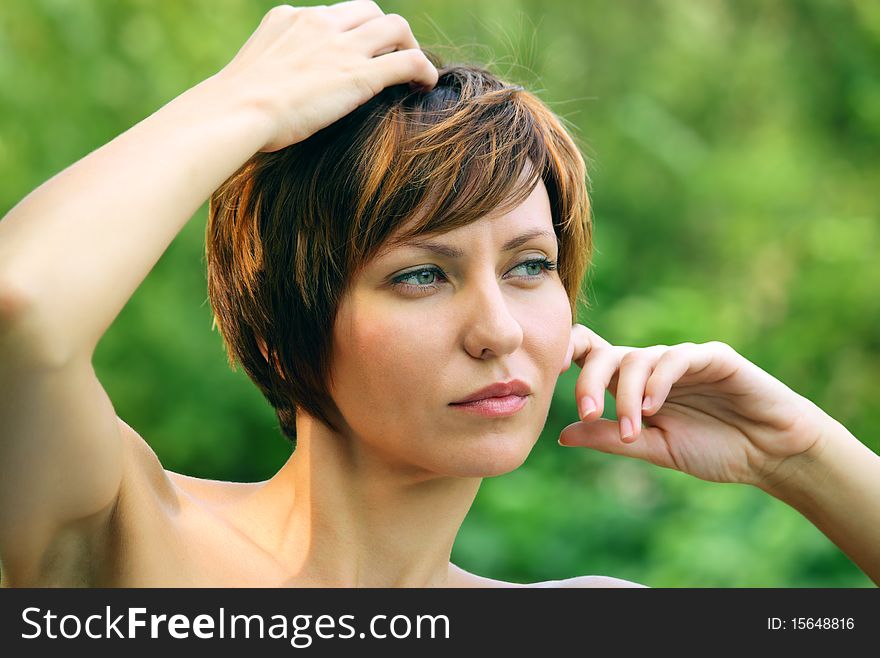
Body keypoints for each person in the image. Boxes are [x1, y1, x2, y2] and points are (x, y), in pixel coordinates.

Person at [0, 1, 877, 588]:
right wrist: (246, 103)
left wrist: (799, 458)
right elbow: (22, 304)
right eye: (421, 274)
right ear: (278, 330)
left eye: (530, 266)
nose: (497, 329)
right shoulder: (123, 542)